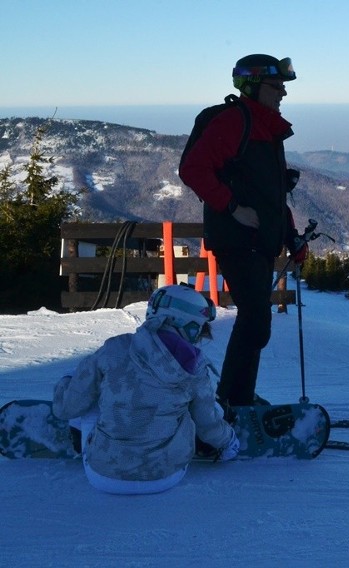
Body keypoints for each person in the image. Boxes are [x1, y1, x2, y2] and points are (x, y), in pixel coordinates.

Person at [179, 54, 308, 407]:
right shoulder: (236, 121)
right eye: (276, 85)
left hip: (260, 242)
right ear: (253, 86)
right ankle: (231, 403)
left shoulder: (266, 127)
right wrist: (233, 207)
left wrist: (290, 236)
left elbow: (272, 194)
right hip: (238, 241)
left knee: (256, 321)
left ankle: (237, 398)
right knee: (254, 320)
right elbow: (192, 168)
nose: (283, 92)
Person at [53, 285, 240, 495]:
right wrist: (228, 442)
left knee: (90, 390)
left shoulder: (115, 348)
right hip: (166, 476)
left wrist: (66, 382)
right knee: (194, 405)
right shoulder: (194, 367)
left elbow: (65, 409)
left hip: (102, 476)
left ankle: (82, 436)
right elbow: (207, 424)